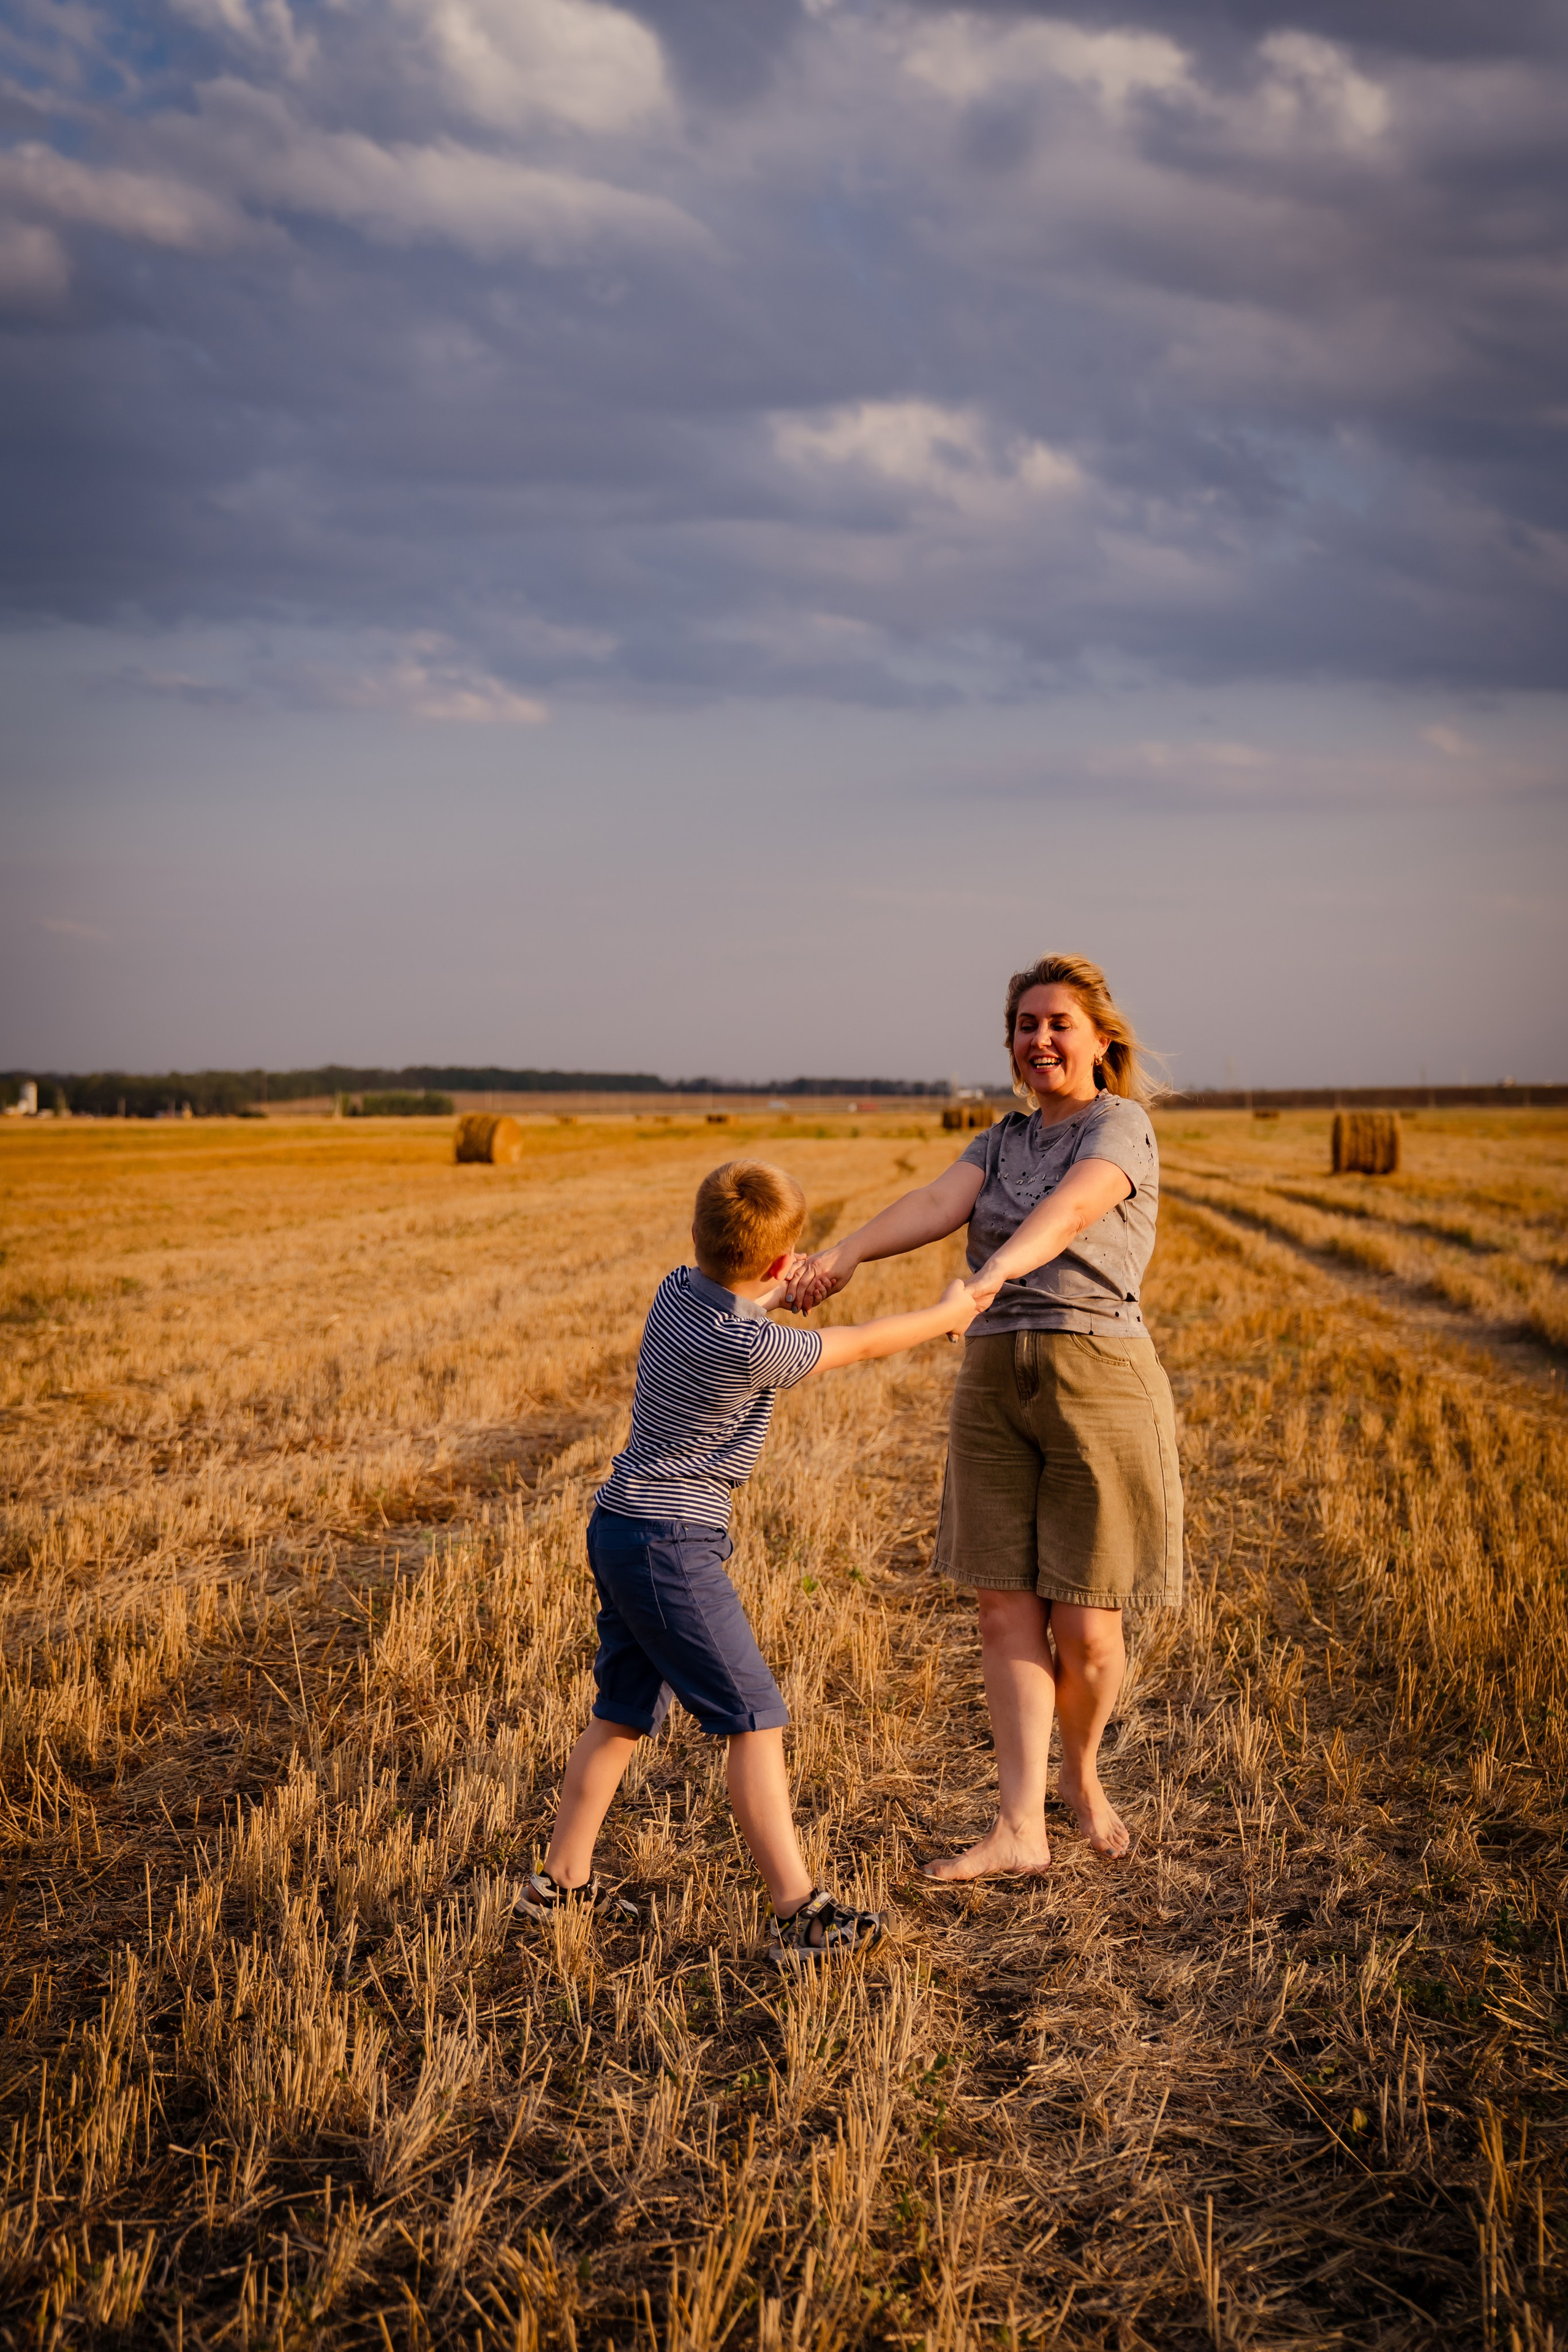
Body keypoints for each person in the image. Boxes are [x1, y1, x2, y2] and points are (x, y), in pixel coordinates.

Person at [523, 1157, 978, 1964]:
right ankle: (799, 1912)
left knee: (622, 1712)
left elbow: (742, 1302)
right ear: (776, 1260)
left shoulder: (675, 1292)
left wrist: (777, 1289)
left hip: (620, 1523)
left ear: (695, 1236)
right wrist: (951, 1310)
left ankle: (558, 1886)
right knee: (755, 1719)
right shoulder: (753, 1349)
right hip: (673, 1544)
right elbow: (865, 1343)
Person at [790, 954, 1181, 1876]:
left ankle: (1079, 1776)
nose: (1039, 1039)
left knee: (1088, 1630)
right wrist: (842, 1258)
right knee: (1004, 1607)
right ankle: (1018, 1828)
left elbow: (1075, 1208)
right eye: (1024, 1024)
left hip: (1098, 1374)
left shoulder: (1121, 1127)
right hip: (994, 1374)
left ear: (1099, 1038)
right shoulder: (1000, 1141)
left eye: (1057, 1023)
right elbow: (937, 1203)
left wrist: (995, 1269)